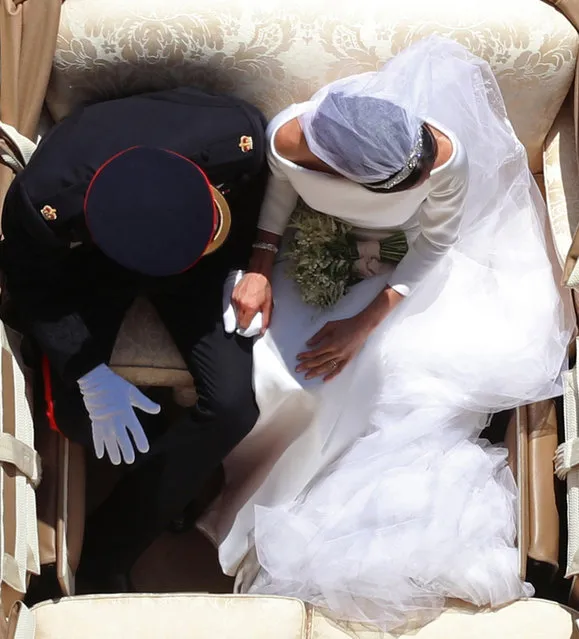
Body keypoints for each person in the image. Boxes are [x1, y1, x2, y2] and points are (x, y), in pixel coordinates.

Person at [207, 36, 573, 630]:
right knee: (283, 369)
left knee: (379, 372)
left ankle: (317, 505)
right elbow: (280, 192)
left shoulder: (441, 154)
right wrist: (260, 264)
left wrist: (364, 322)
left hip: (409, 272)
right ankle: (242, 488)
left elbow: (436, 241)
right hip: (316, 243)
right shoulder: (290, 138)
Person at [0, 87, 267, 592]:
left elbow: (255, 195)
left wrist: (252, 265)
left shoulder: (235, 137)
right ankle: (131, 521)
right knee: (81, 415)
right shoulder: (43, 203)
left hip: (202, 261)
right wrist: (90, 374)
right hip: (99, 268)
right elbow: (35, 288)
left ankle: (124, 529)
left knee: (234, 407)